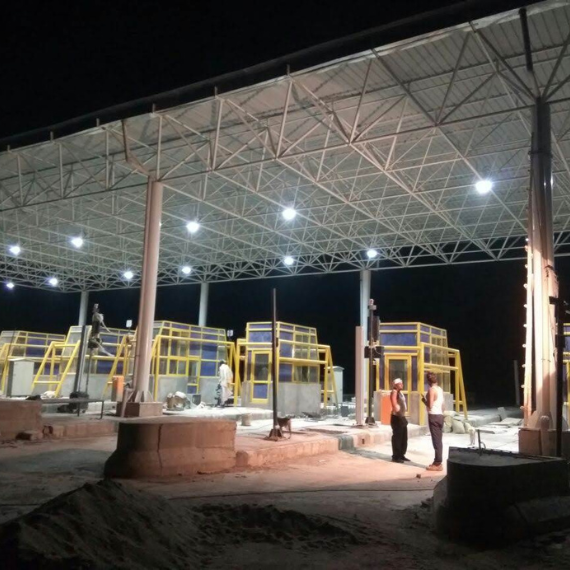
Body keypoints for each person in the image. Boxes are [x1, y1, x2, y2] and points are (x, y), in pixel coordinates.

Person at [422, 372, 445, 471]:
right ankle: (437, 461)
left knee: (436, 441)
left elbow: (430, 405)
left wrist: (424, 400)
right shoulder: (440, 389)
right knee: (439, 440)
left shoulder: (431, 390)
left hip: (434, 416)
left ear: (428, 381)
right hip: (440, 415)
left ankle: (438, 463)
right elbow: (443, 405)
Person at [390, 378, 409, 463]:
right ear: (395, 385)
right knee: (397, 437)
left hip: (401, 416)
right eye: (399, 384)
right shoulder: (394, 392)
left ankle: (401, 455)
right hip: (397, 417)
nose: (401, 385)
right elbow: (394, 404)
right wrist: (400, 415)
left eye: (402, 383)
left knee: (404, 437)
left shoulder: (400, 393)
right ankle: (396, 456)